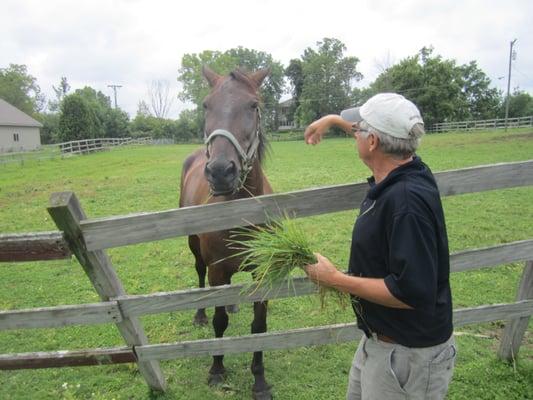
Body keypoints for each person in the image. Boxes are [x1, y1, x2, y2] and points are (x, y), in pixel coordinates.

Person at [303, 93, 456, 400]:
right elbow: (375, 134)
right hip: (381, 342)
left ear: (372, 142)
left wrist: (333, 279)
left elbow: (410, 291)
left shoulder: (406, 203)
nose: (354, 130)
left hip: (407, 358)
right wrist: (331, 120)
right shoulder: (405, 166)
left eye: (358, 128)